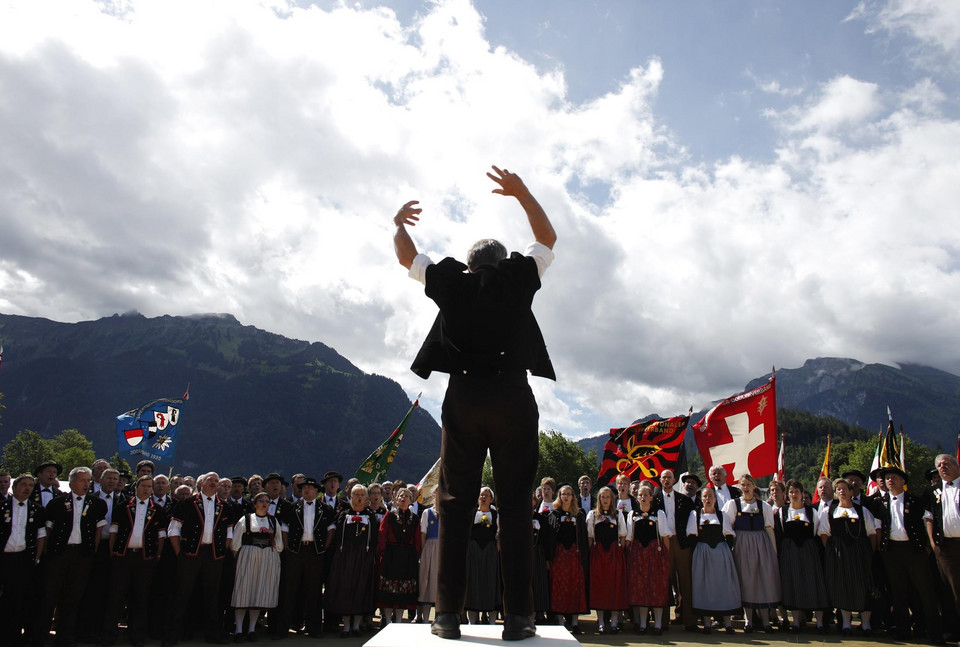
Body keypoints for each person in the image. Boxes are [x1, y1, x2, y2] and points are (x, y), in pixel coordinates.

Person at [393, 165, 557, 642]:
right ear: (503, 260)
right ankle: (521, 618)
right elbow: (547, 237)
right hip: (512, 397)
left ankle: (446, 616)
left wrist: (398, 224)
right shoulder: (519, 276)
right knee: (514, 504)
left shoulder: (452, 282)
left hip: (463, 397)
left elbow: (408, 257)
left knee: (454, 503)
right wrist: (523, 193)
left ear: (468, 264)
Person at [34, 466, 108, 647]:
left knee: (73, 598)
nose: (87, 483)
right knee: (49, 596)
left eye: (89, 480)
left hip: (82, 555)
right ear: (72, 482)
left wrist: (92, 550)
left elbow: (99, 530)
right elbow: (48, 529)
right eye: (83, 480)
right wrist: (47, 553)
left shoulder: (97, 504)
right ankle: (40, 637)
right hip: (59, 554)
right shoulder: (57, 503)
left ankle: (65, 637)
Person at [874, 466, 944, 643]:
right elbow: (879, 527)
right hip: (892, 552)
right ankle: (903, 631)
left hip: (915, 551)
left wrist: (927, 546)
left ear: (903, 481)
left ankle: (934, 633)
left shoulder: (915, 501)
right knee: (898, 593)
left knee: (925, 591)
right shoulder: (880, 502)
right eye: (887, 478)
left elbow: (929, 520)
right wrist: (882, 549)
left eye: (894, 477)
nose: (890, 480)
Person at [164, 472, 234, 647]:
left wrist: (220, 552)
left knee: (212, 595)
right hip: (190, 554)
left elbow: (229, 532)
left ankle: (213, 635)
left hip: (214, 556)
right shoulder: (187, 503)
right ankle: (172, 635)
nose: (214, 483)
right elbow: (173, 530)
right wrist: (180, 553)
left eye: (216, 481)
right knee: (182, 594)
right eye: (211, 480)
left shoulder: (224, 506)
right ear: (201, 483)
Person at [102, 475, 169, 647]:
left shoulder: (158, 511)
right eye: (144, 486)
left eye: (149, 487)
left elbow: (161, 536)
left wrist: (158, 556)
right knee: (116, 597)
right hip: (122, 557)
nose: (147, 489)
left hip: (145, 559)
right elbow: (113, 533)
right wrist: (113, 553)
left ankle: (136, 636)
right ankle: (109, 635)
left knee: (140, 598)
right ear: (136, 487)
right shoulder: (122, 507)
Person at [818, 477, 878, 636]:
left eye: (845, 489)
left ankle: (866, 625)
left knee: (863, 586)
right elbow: (824, 533)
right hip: (839, 555)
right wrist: (833, 550)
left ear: (851, 492)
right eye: (838, 489)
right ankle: (845, 623)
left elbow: (872, 533)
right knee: (842, 586)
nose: (842, 492)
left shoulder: (862, 510)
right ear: (835, 493)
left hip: (859, 553)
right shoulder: (829, 511)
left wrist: (868, 553)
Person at [720, 473, 780, 632]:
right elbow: (727, 528)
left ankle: (766, 620)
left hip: (762, 546)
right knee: (746, 581)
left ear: (754, 486)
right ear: (739, 487)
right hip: (742, 546)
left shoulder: (764, 507)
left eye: (748, 485)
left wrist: (773, 552)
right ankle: (749, 621)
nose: (745, 488)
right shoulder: (733, 505)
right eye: (743, 485)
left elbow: (769, 530)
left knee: (763, 580)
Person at [281, 476, 336, 638]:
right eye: (304, 487)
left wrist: (322, 548)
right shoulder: (292, 507)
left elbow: (331, 529)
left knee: (314, 592)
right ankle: (283, 628)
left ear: (317, 491)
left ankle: (314, 629)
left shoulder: (326, 509)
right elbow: (284, 528)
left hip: (315, 553)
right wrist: (288, 548)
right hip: (296, 552)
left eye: (310, 488)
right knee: (289, 590)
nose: (306, 490)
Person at [326, 484, 379, 637]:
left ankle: (356, 626)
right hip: (345, 557)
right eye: (356, 494)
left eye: (362, 495)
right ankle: (346, 626)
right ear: (351, 497)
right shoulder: (344, 514)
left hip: (363, 557)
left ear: (366, 498)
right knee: (345, 589)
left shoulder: (371, 516)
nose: (360, 497)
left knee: (361, 589)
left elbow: (375, 538)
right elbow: (337, 536)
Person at [0, 474, 47, 647]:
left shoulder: (38, 510)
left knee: (21, 599)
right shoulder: (2, 506)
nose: (27, 488)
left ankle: (18, 637)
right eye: (23, 485)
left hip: (24, 560)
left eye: (30, 485)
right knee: (5, 600)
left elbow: (41, 536)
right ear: (14, 487)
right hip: (4, 558)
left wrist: (37, 557)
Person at [230, 492, 283, 642]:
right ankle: (239, 630)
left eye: (267, 501)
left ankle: (252, 629)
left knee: (258, 592)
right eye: (261, 500)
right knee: (243, 592)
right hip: (247, 556)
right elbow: (235, 542)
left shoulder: (273, 521)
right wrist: (239, 558)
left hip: (266, 558)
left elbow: (279, 544)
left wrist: (272, 559)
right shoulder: (246, 519)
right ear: (255, 503)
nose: (264, 503)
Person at [779, 479, 828, 633]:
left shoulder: (811, 512)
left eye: (797, 492)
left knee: (813, 583)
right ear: (787, 494)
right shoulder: (783, 511)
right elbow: (781, 531)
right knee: (793, 584)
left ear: (802, 494)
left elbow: (815, 532)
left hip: (808, 550)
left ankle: (819, 622)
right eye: (791, 492)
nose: (794, 495)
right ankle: (796, 622)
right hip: (790, 551)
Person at [653, 469, 698, 632]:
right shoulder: (654, 500)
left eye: (669, 478)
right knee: (664, 582)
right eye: (664, 477)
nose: (666, 480)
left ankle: (690, 621)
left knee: (686, 582)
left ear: (673, 481)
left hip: (681, 543)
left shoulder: (684, 500)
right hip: (662, 544)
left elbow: (692, 521)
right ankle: (663, 622)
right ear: (660, 480)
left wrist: (688, 541)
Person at [690, 487, 739, 633]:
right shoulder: (695, 514)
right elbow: (691, 535)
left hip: (720, 554)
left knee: (723, 586)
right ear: (701, 499)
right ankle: (707, 623)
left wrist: (724, 551)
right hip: (702, 554)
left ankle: (728, 623)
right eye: (705, 496)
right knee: (704, 587)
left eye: (710, 496)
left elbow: (729, 535)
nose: (708, 499)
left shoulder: (722, 515)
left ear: (715, 499)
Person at [626, 484, 672, 635]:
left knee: (656, 588)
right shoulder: (632, 514)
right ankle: (643, 624)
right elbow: (629, 538)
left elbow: (665, 536)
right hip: (638, 554)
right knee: (640, 588)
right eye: (640, 495)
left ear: (651, 497)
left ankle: (658, 624)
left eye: (646, 495)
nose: (643, 497)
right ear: (637, 497)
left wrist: (666, 557)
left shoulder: (659, 513)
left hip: (655, 554)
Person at [927, 454, 960, 642]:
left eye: (946, 464)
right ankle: (954, 630)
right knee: (950, 592)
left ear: (957, 466)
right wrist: (932, 541)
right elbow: (929, 516)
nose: (942, 467)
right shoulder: (934, 491)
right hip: (945, 548)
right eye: (939, 465)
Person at [377, 487, 421, 625]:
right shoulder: (389, 515)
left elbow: (417, 539)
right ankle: (388, 620)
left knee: (403, 590)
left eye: (406, 496)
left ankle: (399, 620)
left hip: (407, 557)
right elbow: (382, 534)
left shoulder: (415, 518)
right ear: (396, 499)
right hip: (391, 555)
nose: (403, 498)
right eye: (401, 496)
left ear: (411, 500)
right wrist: (382, 553)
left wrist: (416, 555)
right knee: (389, 588)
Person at [586, 486, 627, 634]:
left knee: (614, 587)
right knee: (600, 587)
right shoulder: (592, 515)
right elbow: (590, 537)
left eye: (607, 497)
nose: (605, 500)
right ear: (599, 499)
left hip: (614, 554)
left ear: (612, 499)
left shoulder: (618, 515)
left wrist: (619, 551)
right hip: (598, 555)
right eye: (602, 497)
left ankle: (615, 621)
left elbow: (623, 535)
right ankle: (601, 622)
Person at [548, 485, 588, 634]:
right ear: (559, 496)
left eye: (569, 494)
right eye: (563, 494)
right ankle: (560, 621)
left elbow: (583, 539)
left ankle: (575, 622)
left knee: (575, 586)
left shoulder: (579, 515)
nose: (566, 496)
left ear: (573, 497)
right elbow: (550, 538)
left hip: (574, 555)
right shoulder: (554, 514)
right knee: (559, 585)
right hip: (559, 555)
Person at [465, 487, 500, 624]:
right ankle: (472, 621)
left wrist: (498, 544)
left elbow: (499, 531)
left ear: (491, 499)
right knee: (473, 581)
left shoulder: (495, 514)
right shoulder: (472, 513)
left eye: (486, 495)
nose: (483, 497)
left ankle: (492, 621)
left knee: (490, 581)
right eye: (481, 495)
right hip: (474, 550)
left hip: (490, 550)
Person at [417, 505, 441, 624]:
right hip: (430, 547)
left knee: (440, 584)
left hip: (443, 549)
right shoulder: (427, 512)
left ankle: (440, 617)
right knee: (427, 582)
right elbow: (423, 533)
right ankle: (425, 618)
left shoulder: (448, 511)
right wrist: (424, 551)